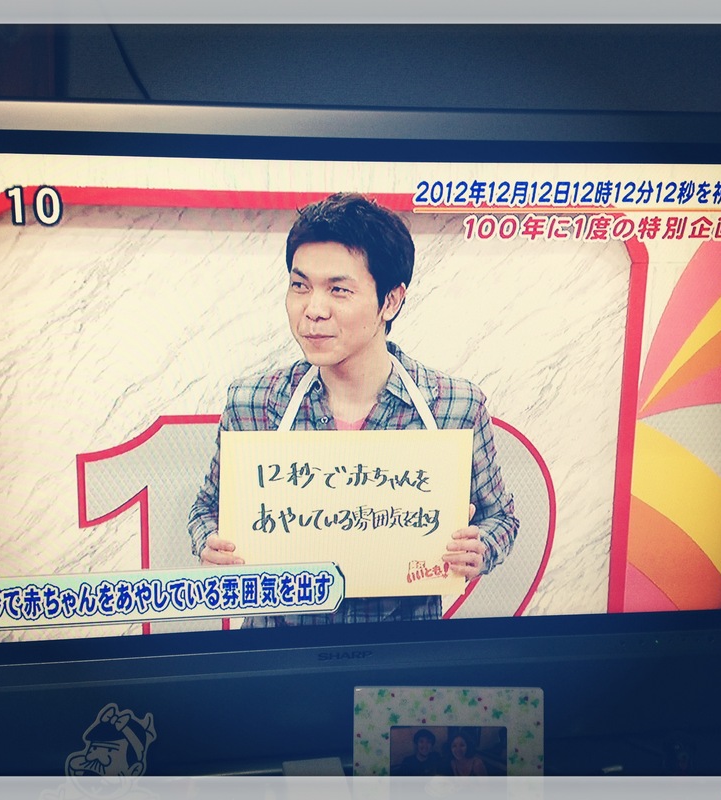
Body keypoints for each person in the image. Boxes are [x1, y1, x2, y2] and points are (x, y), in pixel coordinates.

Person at [188, 192, 518, 626]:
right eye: (300, 286)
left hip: (400, 652)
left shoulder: (453, 406)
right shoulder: (254, 403)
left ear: (390, 301)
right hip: (277, 648)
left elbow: (501, 518)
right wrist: (209, 543)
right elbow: (206, 509)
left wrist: (480, 549)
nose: (313, 311)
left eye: (339, 290)